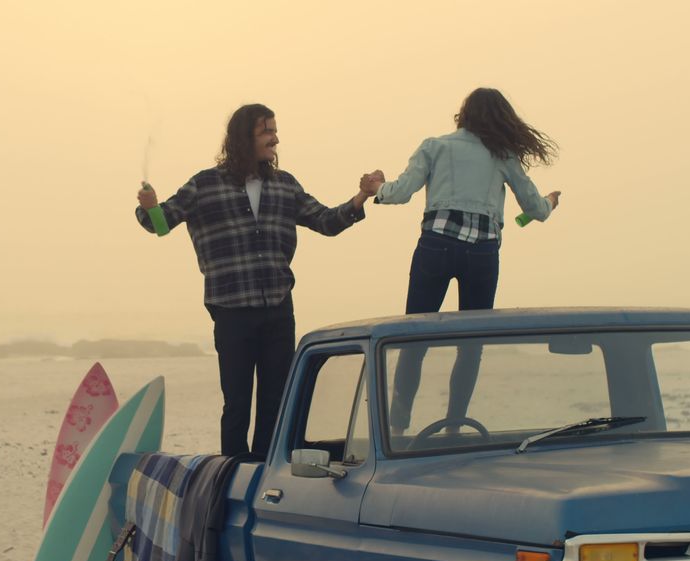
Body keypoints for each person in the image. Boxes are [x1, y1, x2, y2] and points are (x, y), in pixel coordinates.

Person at [136, 103, 375, 457]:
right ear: (244, 137)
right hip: (231, 310)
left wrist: (361, 196)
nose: (275, 139)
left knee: (275, 400)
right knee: (237, 402)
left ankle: (265, 471)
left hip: (278, 307)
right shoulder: (204, 184)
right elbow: (161, 223)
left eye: (275, 131)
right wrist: (150, 205)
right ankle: (232, 474)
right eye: (267, 131)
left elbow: (326, 221)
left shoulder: (285, 185)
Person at [359, 87, 562, 435]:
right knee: (470, 345)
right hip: (482, 255)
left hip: (435, 248)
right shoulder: (503, 156)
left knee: (413, 339)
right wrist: (551, 202)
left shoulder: (434, 146)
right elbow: (535, 210)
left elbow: (399, 192)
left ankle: (397, 426)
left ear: (463, 115)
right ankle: (454, 426)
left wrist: (376, 186)